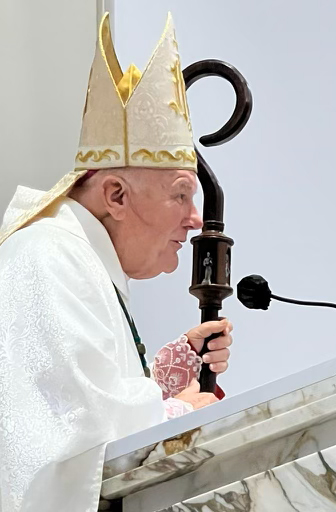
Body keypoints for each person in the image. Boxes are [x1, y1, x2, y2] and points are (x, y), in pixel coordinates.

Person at [0, 12, 232, 512]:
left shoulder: (77, 258)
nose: (195, 219)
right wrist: (175, 413)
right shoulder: (49, 257)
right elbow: (68, 443)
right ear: (117, 195)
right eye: (179, 196)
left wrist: (166, 375)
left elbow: (81, 402)